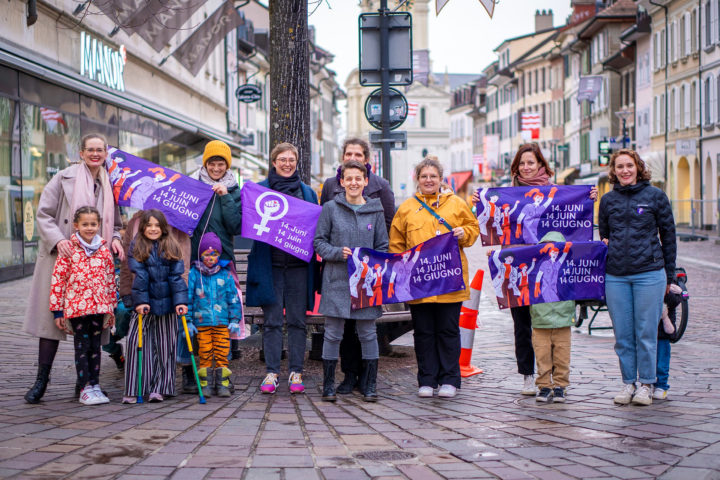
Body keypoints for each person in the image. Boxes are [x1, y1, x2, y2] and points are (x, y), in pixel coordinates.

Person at [473, 143, 597, 396]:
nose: (526, 167)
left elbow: (573, 222)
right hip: (519, 264)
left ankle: (555, 378)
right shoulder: (508, 194)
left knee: (552, 323)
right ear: (516, 168)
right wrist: (479, 201)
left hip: (549, 264)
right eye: (522, 163)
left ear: (541, 164)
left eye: (531, 162)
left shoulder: (557, 193)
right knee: (522, 323)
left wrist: (588, 198)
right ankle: (529, 375)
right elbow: (492, 221)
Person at [23, 133, 125, 405]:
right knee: (51, 324)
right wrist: (58, 240)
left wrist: (115, 239)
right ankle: (41, 380)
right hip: (63, 258)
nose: (95, 154)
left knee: (90, 329)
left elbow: (116, 224)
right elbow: (43, 214)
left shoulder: (109, 182)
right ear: (81, 152)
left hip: (93, 267)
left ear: (105, 153)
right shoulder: (63, 178)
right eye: (90, 149)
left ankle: (85, 382)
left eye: (100, 150)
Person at [389, 156, 479, 398]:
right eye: (424, 176)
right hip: (419, 283)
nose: (429, 180)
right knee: (423, 332)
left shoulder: (456, 204)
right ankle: (426, 379)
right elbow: (396, 243)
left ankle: (450, 379)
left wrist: (464, 233)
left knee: (448, 330)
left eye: (433, 176)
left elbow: (473, 229)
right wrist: (401, 271)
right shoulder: (407, 208)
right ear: (417, 180)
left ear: (441, 179)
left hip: (450, 281)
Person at [599, 149, 676, 406]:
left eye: (629, 165)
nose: (625, 171)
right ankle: (628, 383)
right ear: (614, 171)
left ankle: (646, 384)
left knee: (646, 332)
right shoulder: (608, 201)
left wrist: (670, 274)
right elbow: (605, 235)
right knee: (622, 334)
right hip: (616, 276)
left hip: (649, 274)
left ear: (638, 167)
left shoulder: (655, 196)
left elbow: (669, 236)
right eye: (619, 166)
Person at [320, 138, 396, 395]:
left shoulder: (375, 211)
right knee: (332, 333)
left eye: (358, 178)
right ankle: (329, 384)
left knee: (367, 333)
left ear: (366, 181)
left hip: (366, 283)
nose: (353, 183)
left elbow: (383, 247)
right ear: (341, 182)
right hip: (336, 279)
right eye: (348, 178)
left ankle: (370, 384)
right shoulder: (330, 208)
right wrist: (335, 253)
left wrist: (372, 263)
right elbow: (318, 242)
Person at [246, 142, 318, 395]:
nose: (287, 164)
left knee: (298, 321)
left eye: (291, 160)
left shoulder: (308, 193)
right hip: (271, 266)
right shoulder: (260, 191)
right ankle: (272, 372)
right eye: (282, 159)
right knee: (273, 321)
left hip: (299, 267)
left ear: (296, 163)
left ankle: (296, 371)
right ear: (274, 162)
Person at [185, 140, 243, 390]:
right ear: (205, 164)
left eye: (221, 163)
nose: (216, 168)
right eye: (212, 163)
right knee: (198, 310)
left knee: (224, 309)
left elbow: (236, 226)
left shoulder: (233, 189)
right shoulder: (192, 185)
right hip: (196, 259)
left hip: (223, 260)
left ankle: (223, 370)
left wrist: (226, 197)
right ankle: (199, 369)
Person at [49, 206, 117, 405]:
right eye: (85, 224)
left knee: (96, 348)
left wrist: (111, 306)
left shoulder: (104, 251)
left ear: (98, 225)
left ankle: (95, 385)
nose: (89, 228)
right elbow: (58, 280)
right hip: (77, 309)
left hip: (99, 308)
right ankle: (84, 387)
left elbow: (111, 280)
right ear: (77, 225)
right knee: (82, 347)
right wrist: (57, 310)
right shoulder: (69, 250)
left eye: (93, 224)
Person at [124, 209, 188, 403]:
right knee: (137, 343)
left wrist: (180, 302)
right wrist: (141, 301)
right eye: (149, 225)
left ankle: (160, 387)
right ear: (143, 227)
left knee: (165, 345)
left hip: (168, 304)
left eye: (157, 225)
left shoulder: (171, 246)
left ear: (163, 228)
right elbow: (140, 275)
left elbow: (176, 277)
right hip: (145, 304)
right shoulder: (137, 246)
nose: (153, 229)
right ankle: (135, 388)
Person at [187, 232, 242, 398]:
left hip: (222, 322)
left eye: (214, 254)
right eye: (206, 254)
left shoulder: (225, 274)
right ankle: (205, 384)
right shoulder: (195, 274)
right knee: (204, 352)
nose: (210, 258)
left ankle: (222, 383)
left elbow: (233, 298)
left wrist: (234, 319)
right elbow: (188, 297)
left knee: (222, 352)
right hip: (202, 322)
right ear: (200, 254)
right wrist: (188, 320)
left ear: (219, 255)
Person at [529, 231, 575, 403]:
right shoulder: (541, 266)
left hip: (562, 318)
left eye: (557, 250)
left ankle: (560, 386)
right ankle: (544, 385)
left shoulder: (568, 266)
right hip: (540, 319)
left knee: (562, 355)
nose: (553, 253)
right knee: (542, 355)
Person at [654, 283, 683, 400]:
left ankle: (661, 385)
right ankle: (648, 383)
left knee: (661, 362)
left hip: (662, 332)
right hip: (648, 331)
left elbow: (675, 300)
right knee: (648, 360)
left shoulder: (670, 288)